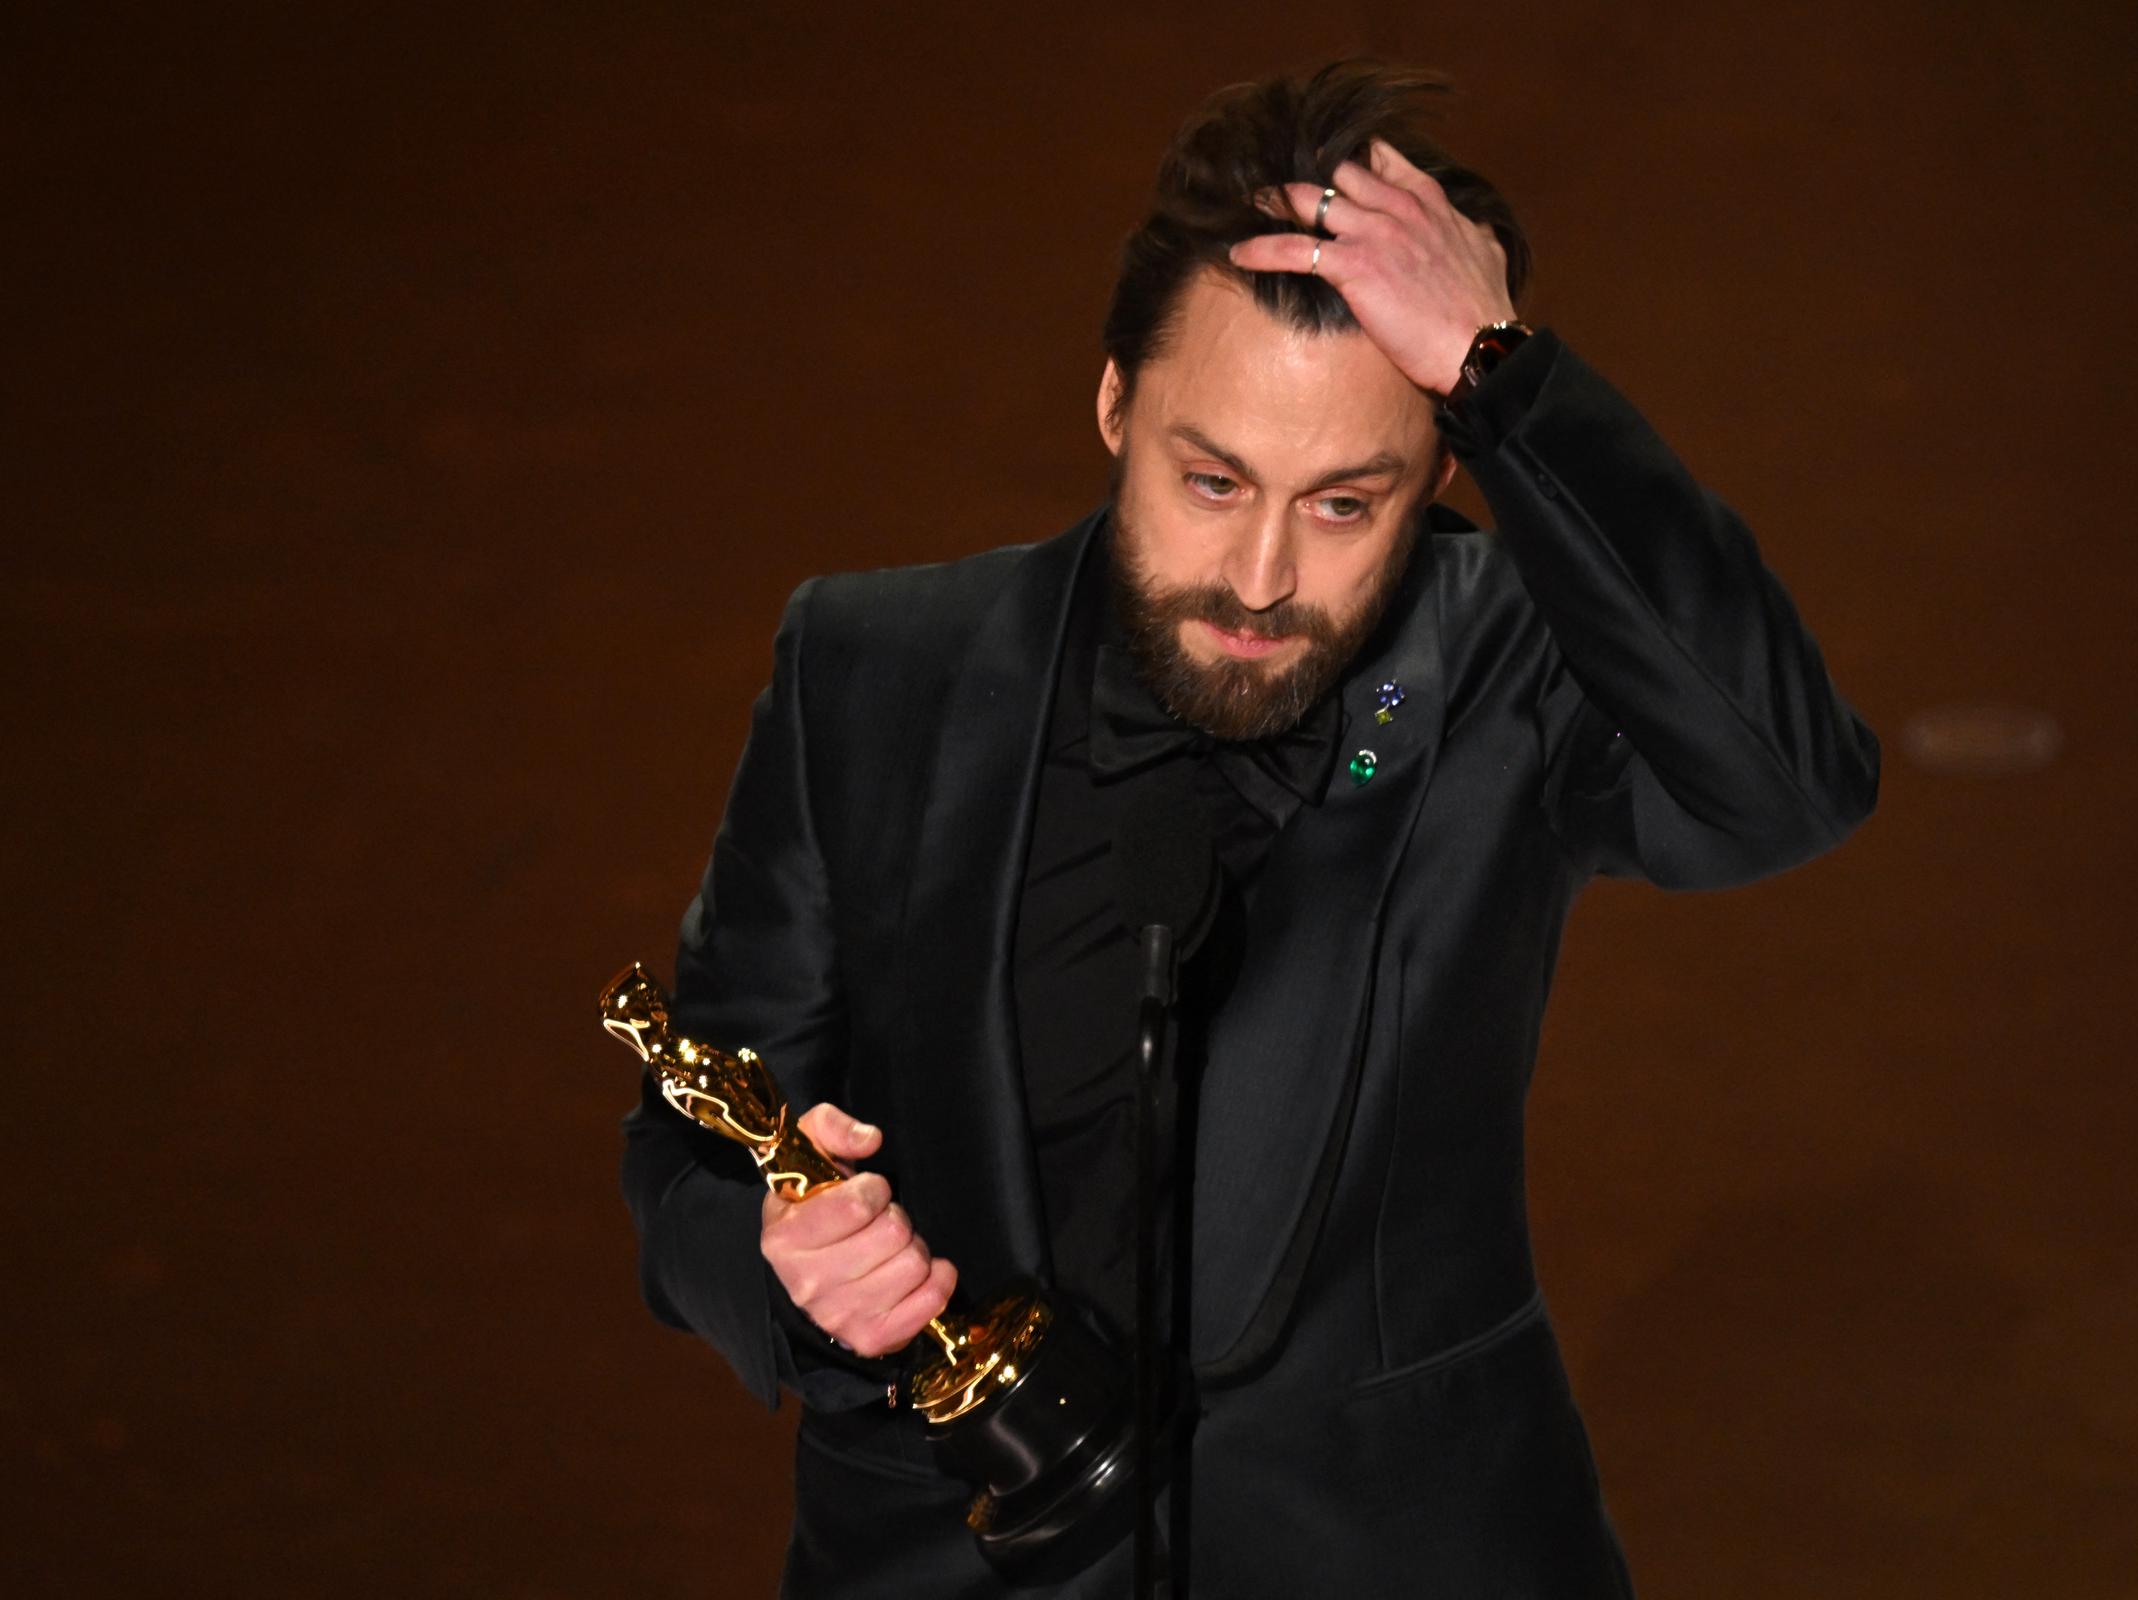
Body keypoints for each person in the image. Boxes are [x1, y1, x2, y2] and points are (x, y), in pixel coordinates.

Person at [618, 58, 1879, 1599]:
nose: (1263, 575)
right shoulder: (870, 670)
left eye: (1348, 503)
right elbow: (689, 1152)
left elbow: (1786, 785)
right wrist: (779, 1259)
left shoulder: (1501, 661)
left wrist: (1504, 371)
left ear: (1433, 485)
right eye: (1210, 480)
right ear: (1110, 403)